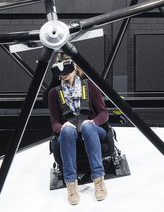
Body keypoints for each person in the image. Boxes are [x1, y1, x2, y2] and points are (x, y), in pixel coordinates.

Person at [47, 52, 109, 205]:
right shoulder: (54, 93)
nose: (65, 76)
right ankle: (71, 184)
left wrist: (93, 122)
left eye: (67, 73)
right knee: (67, 131)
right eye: (62, 75)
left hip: (92, 130)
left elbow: (104, 114)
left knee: (87, 128)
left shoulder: (89, 86)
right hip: (70, 132)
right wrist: (62, 127)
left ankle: (99, 180)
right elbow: (54, 123)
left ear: (75, 68)